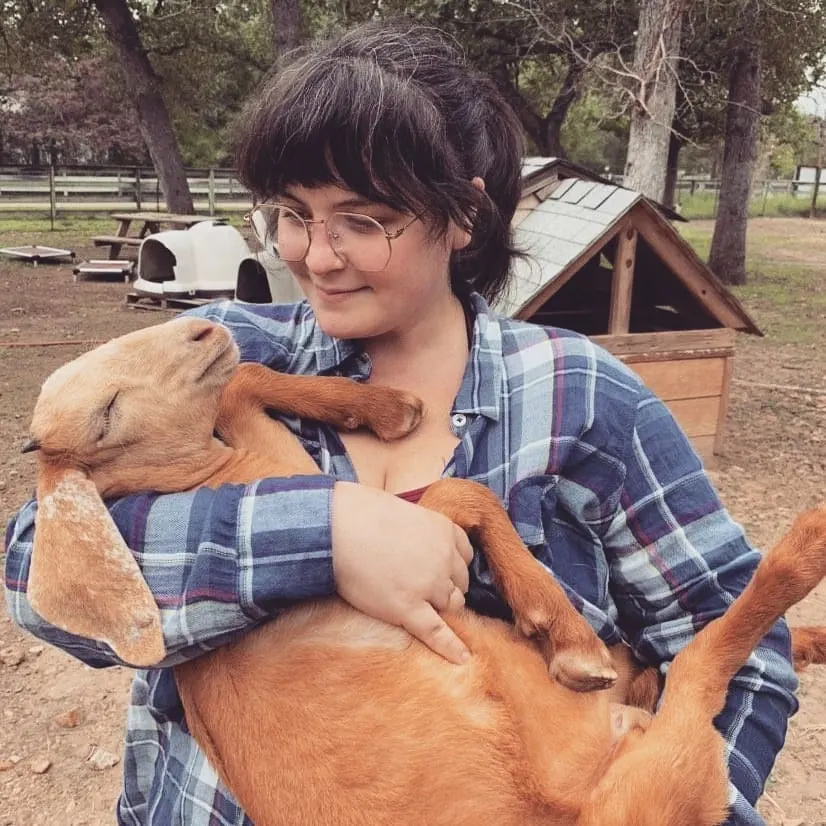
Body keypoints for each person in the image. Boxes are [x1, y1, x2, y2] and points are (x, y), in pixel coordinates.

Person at [5, 19, 797, 826]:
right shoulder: (223, 360)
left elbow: (741, 646)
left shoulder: (579, 395)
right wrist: (324, 536)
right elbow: (40, 572)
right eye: (293, 213)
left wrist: (679, 801)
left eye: (364, 219)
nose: (315, 255)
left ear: (463, 217)